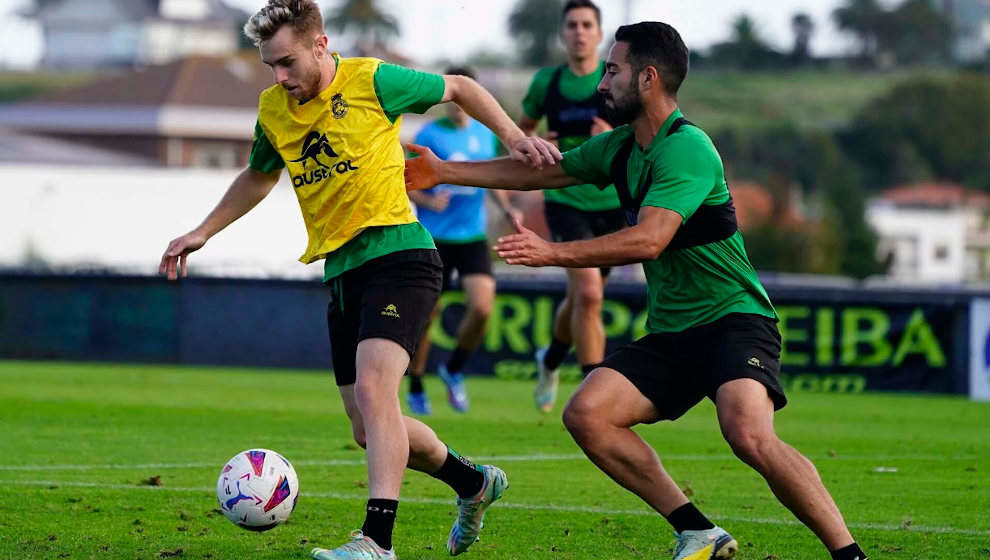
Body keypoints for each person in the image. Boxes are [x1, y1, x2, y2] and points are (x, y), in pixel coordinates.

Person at [405, 21, 869, 560]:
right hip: (673, 332)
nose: (601, 83)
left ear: (647, 78)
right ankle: (697, 530)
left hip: (734, 320)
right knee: (587, 414)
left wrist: (552, 253)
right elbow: (541, 175)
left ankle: (848, 554)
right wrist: (444, 170)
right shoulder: (620, 147)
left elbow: (651, 240)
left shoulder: (687, 148)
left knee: (747, 432)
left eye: (612, 70)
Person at [158, 1, 560, 558]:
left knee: (376, 393)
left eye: (287, 62)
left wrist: (514, 136)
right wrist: (204, 231)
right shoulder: (273, 110)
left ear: (320, 44)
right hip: (343, 271)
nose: (280, 76)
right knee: (370, 430)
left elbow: (461, 87)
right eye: (270, 65)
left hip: (401, 255)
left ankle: (377, 541)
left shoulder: (371, 80)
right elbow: (258, 175)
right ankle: (474, 483)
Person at [518, 0, 626, 414]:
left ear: (600, 35)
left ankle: (549, 360)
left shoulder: (616, 80)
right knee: (589, 293)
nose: (579, 32)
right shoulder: (547, 82)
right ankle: (594, 395)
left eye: (587, 25)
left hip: (613, 201)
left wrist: (613, 133)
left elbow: (642, 133)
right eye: (572, 25)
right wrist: (541, 139)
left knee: (582, 297)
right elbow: (521, 132)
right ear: (563, 34)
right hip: (565, 198)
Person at [405, 66, 521, 415]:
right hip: (434, 237)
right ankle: (416, 383)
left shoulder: (485, 135)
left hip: (471, 236)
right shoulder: (428, 134)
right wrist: (427, 200)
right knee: (427, 315)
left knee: (483, 307)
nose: (457, 105)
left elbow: (493, 177)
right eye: (451, 99)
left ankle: (453, 370)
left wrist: (507, 209)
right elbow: (403, 179)